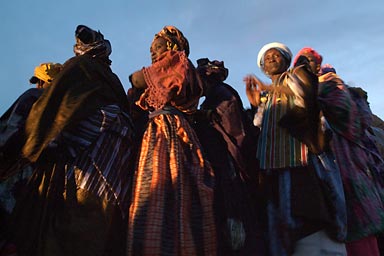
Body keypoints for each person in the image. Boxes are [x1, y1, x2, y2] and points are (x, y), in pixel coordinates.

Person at [8, 25, 134, 256]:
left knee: (61, 234)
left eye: (41, 82)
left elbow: (48, 114)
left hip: (85, 172)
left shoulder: (79, 68)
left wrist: (29, 148)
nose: (39, 87)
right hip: (113, 176)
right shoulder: (112, 82)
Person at [244, 42, 347, 255]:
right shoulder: (267, 97)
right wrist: (257, 104)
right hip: (273, 169)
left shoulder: (298, 74)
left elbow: (304, 92)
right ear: (263, 67)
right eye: (267, 57)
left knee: (311, 219)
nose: (271, 58)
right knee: (283, 230)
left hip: (303, 164)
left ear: (286, 60)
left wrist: (267, 88)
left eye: (276, 55)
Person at [128, 25, 216, 255]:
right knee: (174, 191)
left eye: (157, 47)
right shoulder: (180, 66)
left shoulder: (176, 60)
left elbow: (137, 79)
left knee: (164, 186)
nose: (153, 53)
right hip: (170, 128)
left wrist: (139, 77)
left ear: (172, 46)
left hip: (168, 130)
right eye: (151, 50)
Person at [294, 47, 384, 256]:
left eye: (310, 62)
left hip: (349, 181)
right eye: (301, 64)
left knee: (361, 243)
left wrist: (323, 86)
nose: (306, 67)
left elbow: (350, 121)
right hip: (332, 188)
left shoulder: (331, 87)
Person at [193, 58, 263, 255]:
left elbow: (234, 130)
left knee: (235, 217)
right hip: (222, 165)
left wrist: (205, 118)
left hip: (228, 165)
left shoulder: (221, 94)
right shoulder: (212, 98)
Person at [0, 62, 62, 256]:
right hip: (38, 175)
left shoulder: (34, 97)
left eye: (40, 82)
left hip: (15, 165)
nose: (37, 86)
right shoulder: (63, 109)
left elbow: (12, 128)